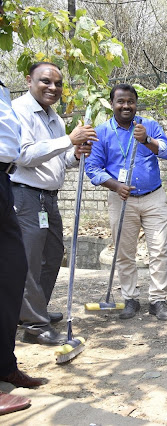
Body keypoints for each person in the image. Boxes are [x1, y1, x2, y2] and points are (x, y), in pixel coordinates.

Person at [11, 62, 95, 346]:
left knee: (53, 254)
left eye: (58, 84)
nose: (53, 88)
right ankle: (34, 325)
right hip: (25, 195)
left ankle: (35, 311)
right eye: (46, 81)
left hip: (48, 197)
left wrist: (76, 153)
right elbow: (23, 155)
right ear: (29, 80)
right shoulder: (19, 111)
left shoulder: (54, 118)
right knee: (29, 261)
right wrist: (68, 139)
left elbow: (61, 161)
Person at [85, 84, 167, 321]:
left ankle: (158, 300)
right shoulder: (102, 132)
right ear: (112, 103)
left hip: (153, 197)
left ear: (136, 103)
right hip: (120, 198)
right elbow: (92, 168)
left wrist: (147, 140)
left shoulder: (149, 125)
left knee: (159, 250)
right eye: (120, 101)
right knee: (125, 253)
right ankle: (131, 299)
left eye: (130, 102)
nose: (126, 106)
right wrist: (115, 185)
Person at [0, 68, 44, 413]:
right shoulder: (22, 108)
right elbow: (28, 153)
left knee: (12, 274)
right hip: (18, 186)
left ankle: (5, 366)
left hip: (3, 180)